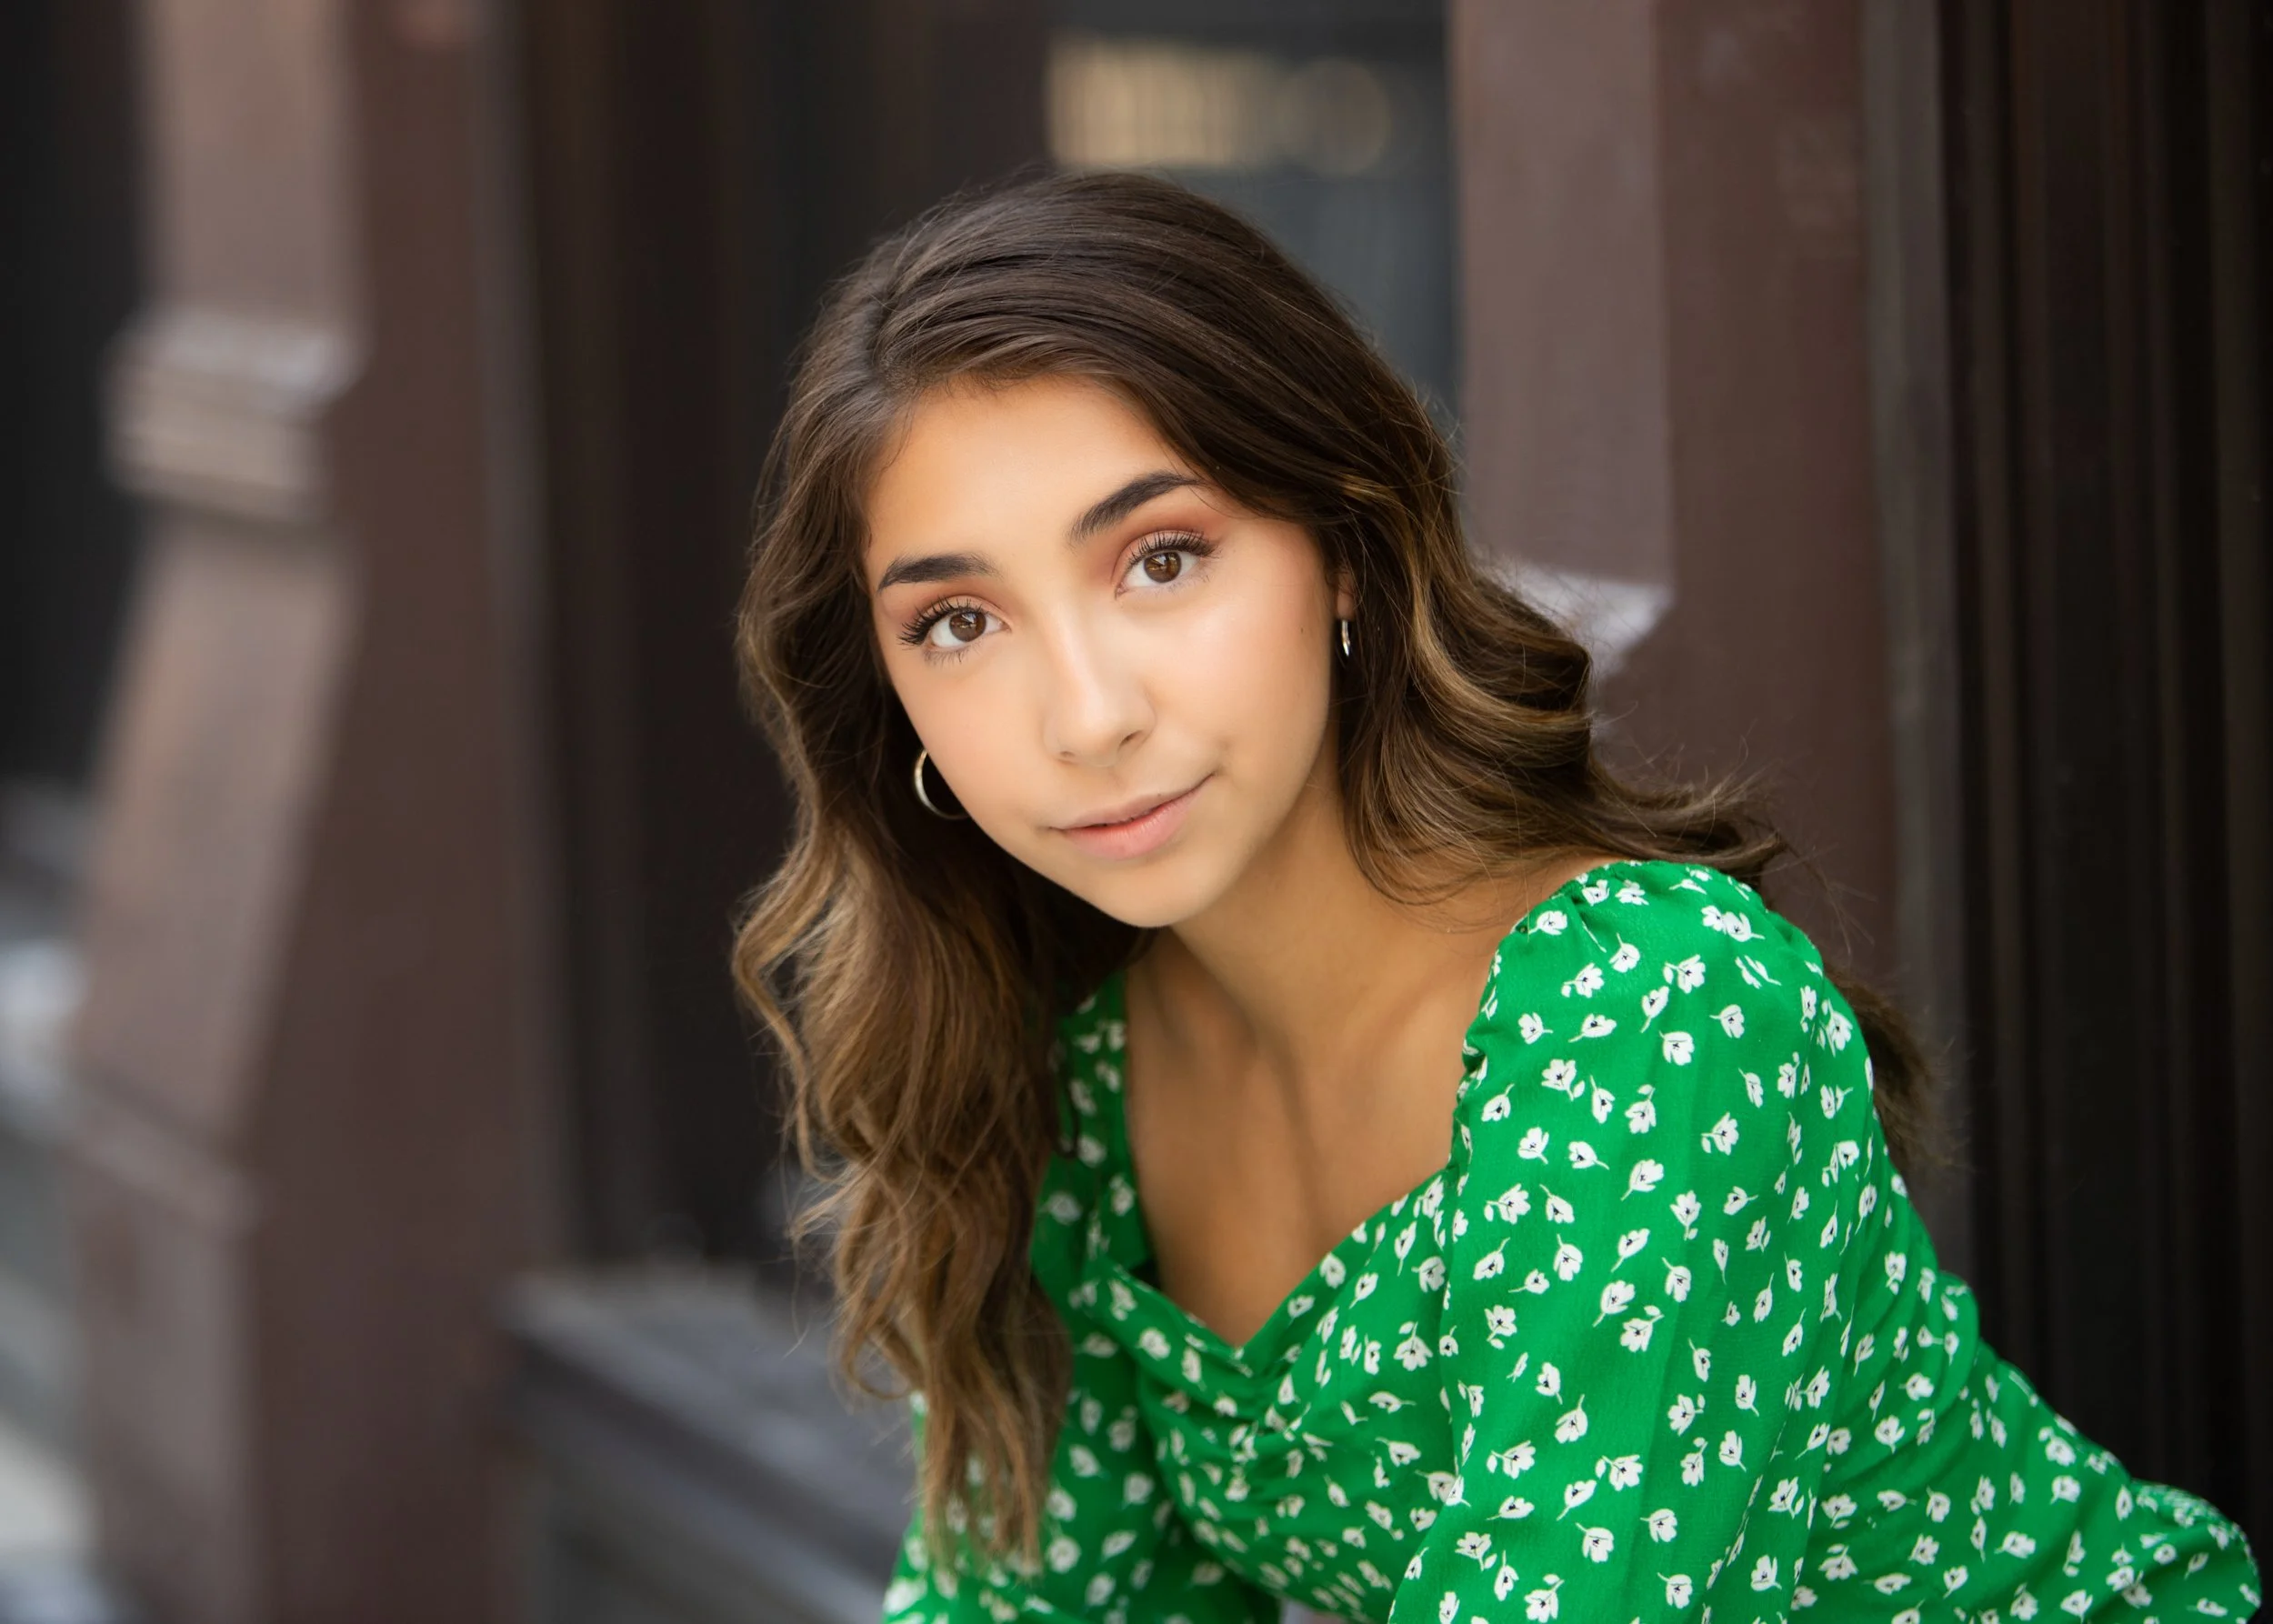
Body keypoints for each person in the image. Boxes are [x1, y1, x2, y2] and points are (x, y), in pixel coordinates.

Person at [730, 171, 2259, 1624]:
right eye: (958, 621)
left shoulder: (1648, 1016)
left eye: (1163, 557)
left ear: (1342, 546)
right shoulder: (1078, 1083)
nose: (1084, 715)